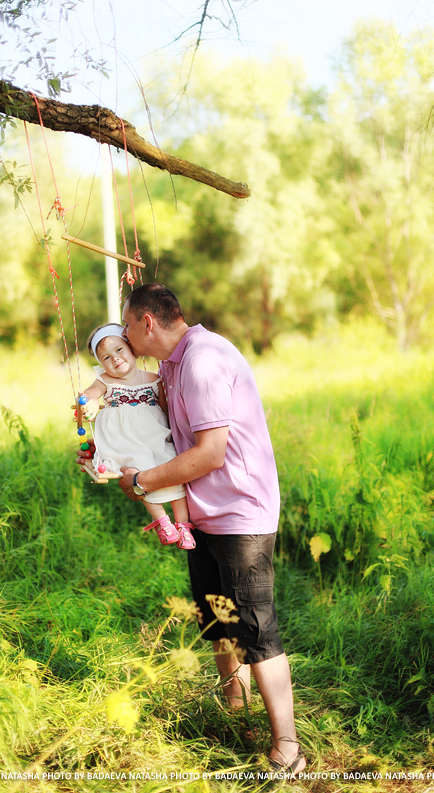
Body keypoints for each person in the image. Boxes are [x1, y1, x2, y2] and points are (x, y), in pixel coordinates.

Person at [77, 285, 306, 775]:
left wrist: (142, 481)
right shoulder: (171, 366)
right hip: (202, 514)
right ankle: (237, 716)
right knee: (218, 619)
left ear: (146, 323)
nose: (123, 337)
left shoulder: (202, 361)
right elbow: (150, 431)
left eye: (126, 326)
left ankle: (288, 748)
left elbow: (210, 454)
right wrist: (108, 452)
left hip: (239, 514)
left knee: (256, 628)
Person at [80, 322, 195, 550]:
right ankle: (163, 522)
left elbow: (165, 410)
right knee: (139, 469)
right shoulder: (106, 381)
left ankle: (183, 526)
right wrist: (90, 401)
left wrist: (173, 435)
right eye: (106, 357)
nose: (115, 359)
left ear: (131, 349)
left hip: (154, 437)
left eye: (119, 350)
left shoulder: (154, 379)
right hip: (125, 442)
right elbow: (89, 394)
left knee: (172, 467)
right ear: (101, 364)